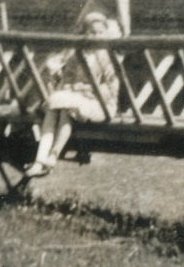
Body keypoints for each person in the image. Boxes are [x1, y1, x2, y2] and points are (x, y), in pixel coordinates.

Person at [24, 12, 120, 177]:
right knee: (55, 109)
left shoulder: (108, 56)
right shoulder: (79, 55)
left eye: (100, 32)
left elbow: (111, 87)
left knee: (67, 109)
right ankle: (41, 160)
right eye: (92, 32)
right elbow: (67, 79)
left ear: (106, 33)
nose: (96, 37)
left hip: (100, 103)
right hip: (77, 99)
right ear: (85, 34)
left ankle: (53, 155)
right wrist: (72, 86)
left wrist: (88, 90)